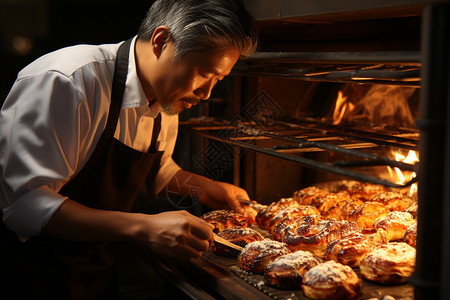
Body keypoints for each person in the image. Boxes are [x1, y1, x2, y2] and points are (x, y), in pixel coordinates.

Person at [0, 0, 258, 299]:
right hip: (29, 274)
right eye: (203, 73)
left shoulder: (167, 99)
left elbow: (157, 172)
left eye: (218, 80)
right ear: (162, 42)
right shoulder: (68, 80)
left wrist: (206, 188)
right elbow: (23, 206)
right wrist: (143, 227)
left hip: (94, 271)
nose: (206, 93)